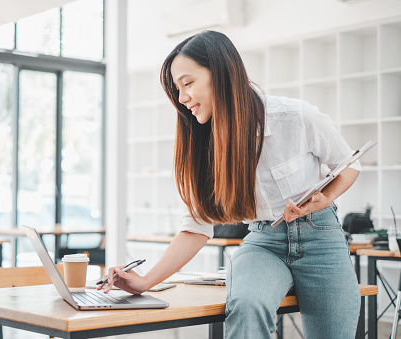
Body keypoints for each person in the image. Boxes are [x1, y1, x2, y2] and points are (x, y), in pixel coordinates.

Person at [98, 30, 361, 338]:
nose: (182, 98)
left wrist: (325, 197)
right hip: (264, 242)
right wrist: (144, 282)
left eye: (188, 83)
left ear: (221, 74)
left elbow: (349, 164)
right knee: (247, 305)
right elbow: (196, 227)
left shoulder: (295, 116)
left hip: (321, 236)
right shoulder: (202, 143)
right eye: (177, 88)